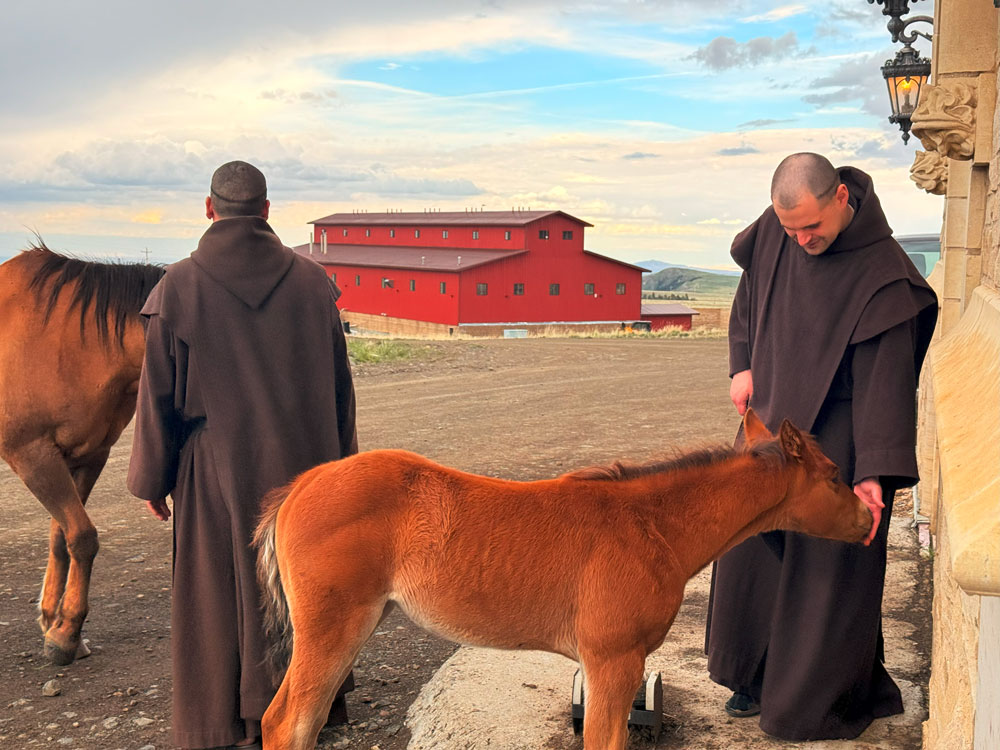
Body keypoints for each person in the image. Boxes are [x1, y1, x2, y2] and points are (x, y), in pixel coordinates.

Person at [704, 153, 938, 741]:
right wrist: (742, 364)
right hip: (768, 427)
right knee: (750, 554)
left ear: (840, 198)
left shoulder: (884, 275)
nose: (802, 240)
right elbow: (749, 296)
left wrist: (873, 474)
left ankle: (814, 701)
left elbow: (888, 383)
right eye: (791, 230)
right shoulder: (776, 231)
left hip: (841, 439)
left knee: (827, 570)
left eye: (811, 227)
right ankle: (750, 676)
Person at [127, 161, 358, 749]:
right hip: (306, 469)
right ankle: (299, 711)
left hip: (211, 472)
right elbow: (341, 393)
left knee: (216, 594)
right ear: (266, 209)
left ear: (209, 209)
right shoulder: (314, 283)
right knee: (296, 591)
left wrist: (152, 479)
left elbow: (157, 397)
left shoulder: (178, 287)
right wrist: (344, 478)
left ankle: (224, 722)